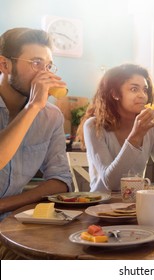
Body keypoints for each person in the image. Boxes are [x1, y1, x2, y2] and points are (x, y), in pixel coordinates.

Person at [0, 28, 72, 259]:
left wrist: (5, 205)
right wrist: (33, 107)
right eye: (36, 63)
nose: (45, 73)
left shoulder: (50, 116)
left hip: (16, 225)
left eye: (48, 65)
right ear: (4, 65)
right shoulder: (38, 108)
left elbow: (61, 181)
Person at [78, 64, 154, 193]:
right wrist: (135, 136)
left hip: (135, 207)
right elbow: (111, 183)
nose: (142, 95)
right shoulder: (93, 126)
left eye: (145, 90)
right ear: (115, 94)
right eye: (134, 89)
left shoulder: (150, 129)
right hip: (101, 208)